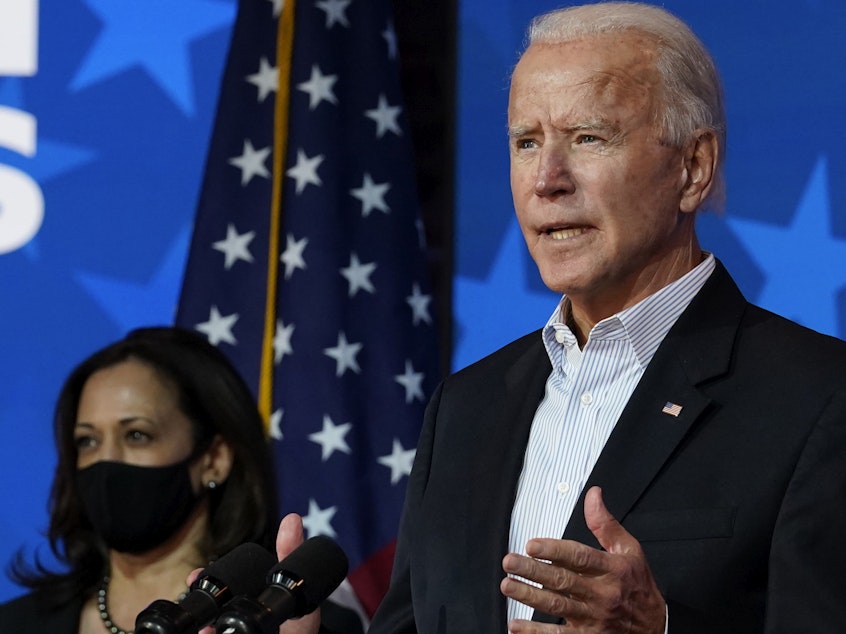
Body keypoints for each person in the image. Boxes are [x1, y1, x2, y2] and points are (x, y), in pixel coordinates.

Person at [276, 2, 846, 633]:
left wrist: (658, 629)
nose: (547, 179)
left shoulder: (819, 398)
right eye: (526, 142)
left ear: (694, 168)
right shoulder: (465, 409)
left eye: (588, 138)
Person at [0, 326, 278, 633]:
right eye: (88, 441)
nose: (107, 460)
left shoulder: (277, 620)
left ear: (214, 460)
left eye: (136, 435)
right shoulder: (14, 624)